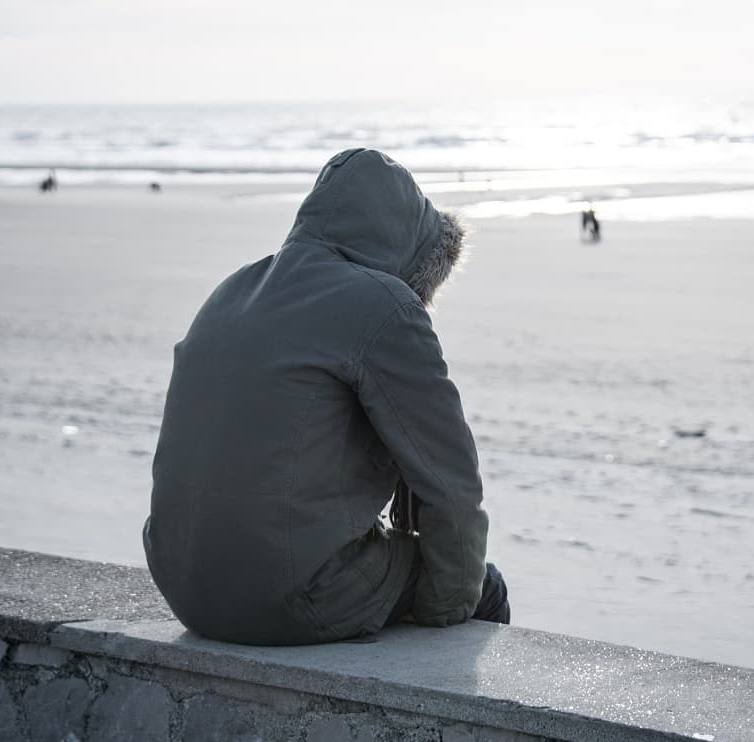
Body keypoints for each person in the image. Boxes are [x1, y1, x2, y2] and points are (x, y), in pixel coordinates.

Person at [143, 148, 508, 646]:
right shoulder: (385, 305)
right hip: (292, 593)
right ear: (416, 251)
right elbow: (451, 481)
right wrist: (445, 612)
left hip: (181, 585)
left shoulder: (231, 290)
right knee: (484, 587)